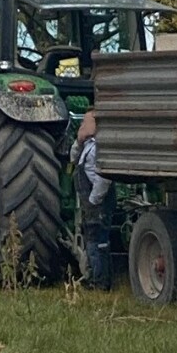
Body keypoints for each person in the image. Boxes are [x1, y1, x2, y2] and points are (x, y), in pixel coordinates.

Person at [73, 110, 114, 289]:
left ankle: (99, 281)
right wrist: (79, 140)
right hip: (92, 203)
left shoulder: (98, 149)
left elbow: (103, 178)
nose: (82, 126)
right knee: (96, 241)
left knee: (96, 243)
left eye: (85, 123)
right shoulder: (86, 147)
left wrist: (93, 201)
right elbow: (72, 157)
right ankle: (99, 278)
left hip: (97, 204)